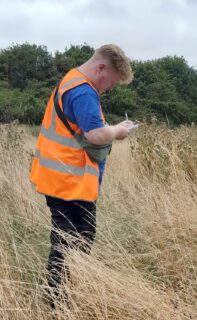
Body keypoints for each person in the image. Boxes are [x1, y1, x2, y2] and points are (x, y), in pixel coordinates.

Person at [29, 44, 133, 308]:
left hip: (64, 180)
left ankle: (62, 297)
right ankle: (57, 304)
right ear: (101, 68)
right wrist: (118, 131)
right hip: (69, 182)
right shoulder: (83, 91)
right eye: (111, 82)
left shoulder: (70, 81)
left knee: (72, 239)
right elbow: (96, 134)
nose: (108, 89)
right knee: (69, 242)